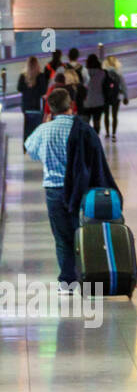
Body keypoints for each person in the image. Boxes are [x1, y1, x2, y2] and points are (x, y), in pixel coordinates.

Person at [24, 88, 116, 291]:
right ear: (71, 105)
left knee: (62, 237)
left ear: (50, 108)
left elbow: (30, 150)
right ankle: (90, 275)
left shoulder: (44, 130)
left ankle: (67, 281)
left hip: (53, 190)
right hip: (80, 190)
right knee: (83, 233)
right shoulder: (83, 129)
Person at [17, 55, 48, 142]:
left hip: (26, 105)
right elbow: (43, 91)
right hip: (37, 105)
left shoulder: (23, 76)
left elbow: (19, 88)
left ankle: (26, 143)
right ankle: (36, 143)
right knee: (37, 125)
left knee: (27, 125)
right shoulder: (41, 76)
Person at [102, 55, 128, 141]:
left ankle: (107, 133)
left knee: (106, 115)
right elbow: (123, 86)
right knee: (114, 115)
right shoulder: (118, 74)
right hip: (116, 97)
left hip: (105, 97)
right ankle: (113, 134)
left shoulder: (103, 73)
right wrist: (125, 96)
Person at [81, 54, 109, 133]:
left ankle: (86, 141)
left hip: (85, 102)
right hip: (99, 102)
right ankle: (95, 138)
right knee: (97, 122)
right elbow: (105, 88)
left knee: (85, 124)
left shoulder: (83, 72)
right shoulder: (103, 73)